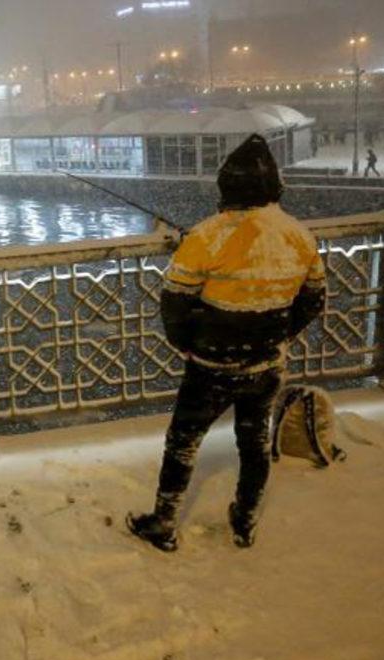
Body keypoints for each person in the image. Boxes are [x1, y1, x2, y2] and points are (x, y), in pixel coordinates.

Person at [127, 134, 327, 551]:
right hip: (266, 364)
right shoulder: (299, 236)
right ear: (274, 188)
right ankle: (245, 520)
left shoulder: (205, 236)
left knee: (183, 442)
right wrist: (278, 333)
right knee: (253, 445)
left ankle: (164, 523)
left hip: (211, 365)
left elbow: (175, 302)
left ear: (226, 187)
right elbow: (313, 299)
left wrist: (189, 343)